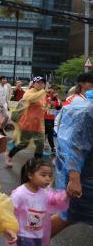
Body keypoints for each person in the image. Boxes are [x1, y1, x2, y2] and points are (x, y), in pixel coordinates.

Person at [51, 90, 93, 237]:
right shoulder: (89, 111)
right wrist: (74, 179)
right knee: (68, 216)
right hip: (86, 176)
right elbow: (77, 147)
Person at [7, 158, 68, 246]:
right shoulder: (20, 194)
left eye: (50, 175)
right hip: (24, 235)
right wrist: (9, 229)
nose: (48, 179)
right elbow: (8, 211)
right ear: (30, 175)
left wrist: (67, 194)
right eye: (43, 175)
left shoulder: (45, 191)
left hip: (38, 234)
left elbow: (54, 200)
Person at [6, 76, 47, 166]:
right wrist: (43, 91)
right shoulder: (29, 92)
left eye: (42, 83)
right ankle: (9, 155)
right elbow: (30, 99)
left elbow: (43, 107)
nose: (41, 84)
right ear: (33, 84)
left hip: (38, 124)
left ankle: (37, 164)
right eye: (38, 82)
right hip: (27, 123)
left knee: (40, 143)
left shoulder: (42, 94)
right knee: (23, 144)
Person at [44, 86, 61, 154]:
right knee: (48, 133)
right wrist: (53, 99)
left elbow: (58, 108)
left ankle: (51, 147)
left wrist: (56, 99)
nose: (56, 92)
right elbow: (47, 105)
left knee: (48, 133)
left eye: (57, 91)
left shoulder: (56, 98)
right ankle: (52, 148)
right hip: (44, 118)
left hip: (51, 118)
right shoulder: (46, 96)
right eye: (54, 90)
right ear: (51, 90)